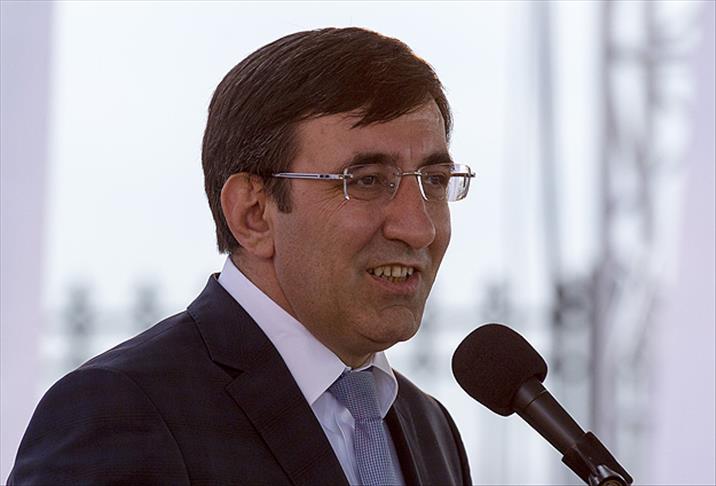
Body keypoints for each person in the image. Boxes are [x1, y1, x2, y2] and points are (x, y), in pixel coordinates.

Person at [8, 27, 474, 485]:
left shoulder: (428, 427)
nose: (419, 227)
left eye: (434, 180)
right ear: (253, 214)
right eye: (367, 180)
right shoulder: (120, 412)